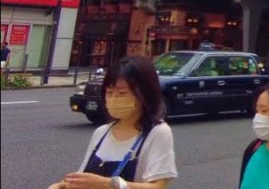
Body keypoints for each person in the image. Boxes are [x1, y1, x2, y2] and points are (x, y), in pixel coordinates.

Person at [48, 56, 177, 189]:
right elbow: (83, 179)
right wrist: (61, 186)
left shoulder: (158, 132)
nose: (114, 99)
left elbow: (158, 186)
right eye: (109, 93)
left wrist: (110, 184)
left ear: (144, 95)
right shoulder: (102, 132)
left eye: (122, 93)